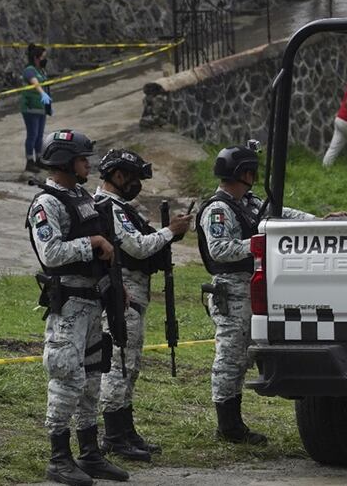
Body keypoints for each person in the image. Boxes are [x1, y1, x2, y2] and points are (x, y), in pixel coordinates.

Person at [198, 144, 345, 445]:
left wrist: (318, 223)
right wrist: (259, 245)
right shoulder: (218, 209)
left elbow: (283, 215)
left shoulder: (250, 202)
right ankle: (228, 426)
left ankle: (233, 424)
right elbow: (219, 250)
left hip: (252, 287)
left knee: (242, 357)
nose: (254, 176)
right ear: (243, 173)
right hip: (232, 289)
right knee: (230, 358)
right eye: (251, 171)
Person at [26, 130, 130, 485]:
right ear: (66, 162)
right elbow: (50, 253)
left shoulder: (80, 197)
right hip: (68, 306)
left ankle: (89, 453)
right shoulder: (47, 203)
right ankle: (58, 457)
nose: (89, 163)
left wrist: (116, 289)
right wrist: (92, 242)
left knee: (91, 381)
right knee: (66, 379)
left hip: (93, 303)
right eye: (84, 158)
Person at [94, 149, 190, 462]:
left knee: (130, 365)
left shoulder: (123, 207)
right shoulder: (109, 207)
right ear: (118, 176)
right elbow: (137, 246)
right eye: (133, 178)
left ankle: (126, 431)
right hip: (123, 293)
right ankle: (113, 435)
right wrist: (169, 232)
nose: (138, 184)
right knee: (120, 364)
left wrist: (167, 235)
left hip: (135, 293)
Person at [22, 43, 53, 173]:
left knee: (39, 135)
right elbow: (35, 83)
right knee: (32, 135)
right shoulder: (29, 70)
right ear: (36, 57)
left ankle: (39, 159)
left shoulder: (41, 70)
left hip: (41, 108)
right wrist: (42, 94)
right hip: (30, 108)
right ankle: (30, 161)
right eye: (43, 57)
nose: (45, 59)